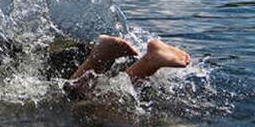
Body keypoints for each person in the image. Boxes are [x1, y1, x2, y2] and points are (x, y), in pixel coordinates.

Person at [63, 35, 191, 99]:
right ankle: (148, 62)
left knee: (72, 98)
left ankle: (148, 63)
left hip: (63, 53)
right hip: (73, 47)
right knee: (82, 90)